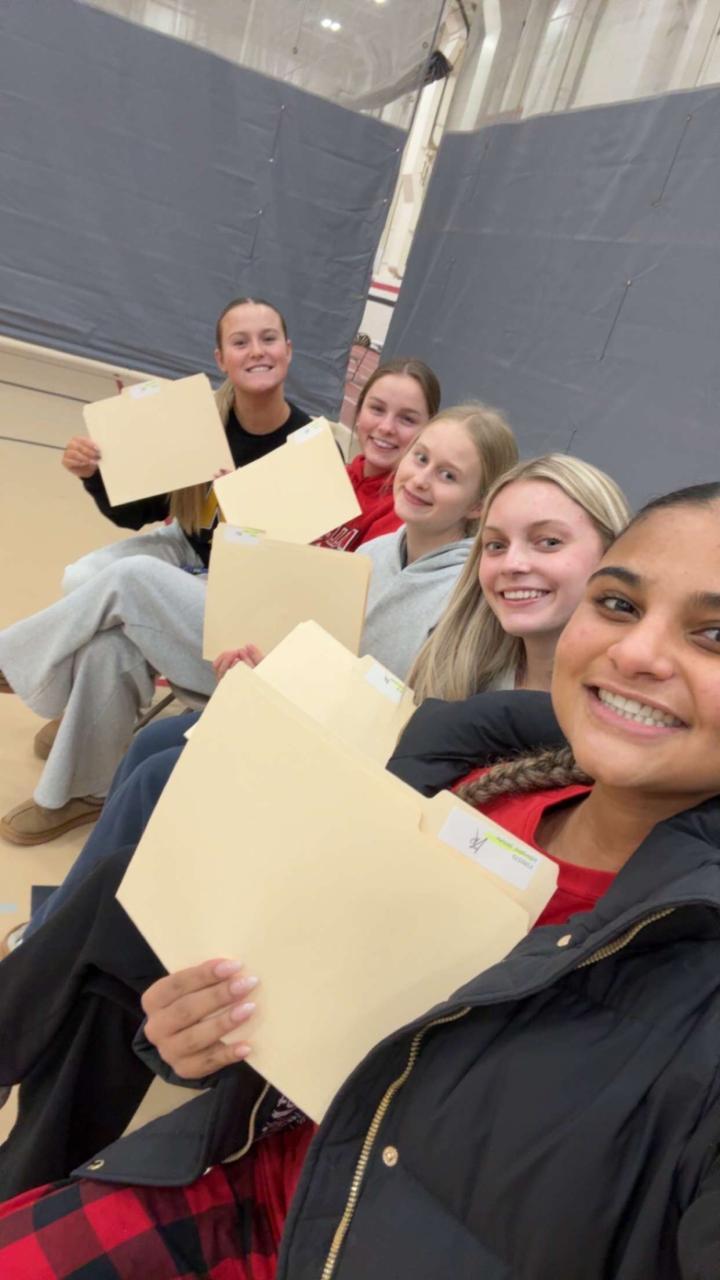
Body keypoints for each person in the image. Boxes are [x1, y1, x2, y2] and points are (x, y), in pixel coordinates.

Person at [2, 480, 718, 1277]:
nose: (638, 651)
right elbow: (312, 994)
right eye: (619, 605)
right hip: (240, 1171)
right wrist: (197, 1031)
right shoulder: (482, 775)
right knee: (137, 846)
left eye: (715, 634)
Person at [12, 402, 518, 939]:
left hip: (348, 763)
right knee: (149, 745)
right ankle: (79, 913)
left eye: (448, 475)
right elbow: (325, 653)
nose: (420, 478)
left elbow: (406, 719)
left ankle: (61, 931)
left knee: (158, 775)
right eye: (421, 459)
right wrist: (265, 670)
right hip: (302, 717)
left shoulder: (464, 596)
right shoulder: (377, 551)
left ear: (478, 503)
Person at [0, 347, 439, 846]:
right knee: (111, 647)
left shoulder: (405, 515)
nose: (386, 427)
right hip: (247, 619)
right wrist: (244, 510)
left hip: (288, 665)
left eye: (407, 419)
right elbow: (267, 560)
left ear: (429, 429)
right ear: (358, 413)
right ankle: (81, 791)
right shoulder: (330, 471)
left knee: (132, 577)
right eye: (377, 409)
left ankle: (13, 661)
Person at [59, 297, 308, 592]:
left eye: (268, 338)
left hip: (249, 576)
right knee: (81, 578)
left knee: (131, 581)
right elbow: (136, 514)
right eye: (240, 343)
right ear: (221, 359)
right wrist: (93, 474)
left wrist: (246, 507)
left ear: (287, 350)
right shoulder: (196, 420)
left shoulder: (309, 445)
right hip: (185, 546)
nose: (256, 351)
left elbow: (301, 563)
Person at [408, 452, 631, 700]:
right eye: (496, 545)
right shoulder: (450, 677)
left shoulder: (631, 710)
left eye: (549, 541)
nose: (511, 564)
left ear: (611, 551)